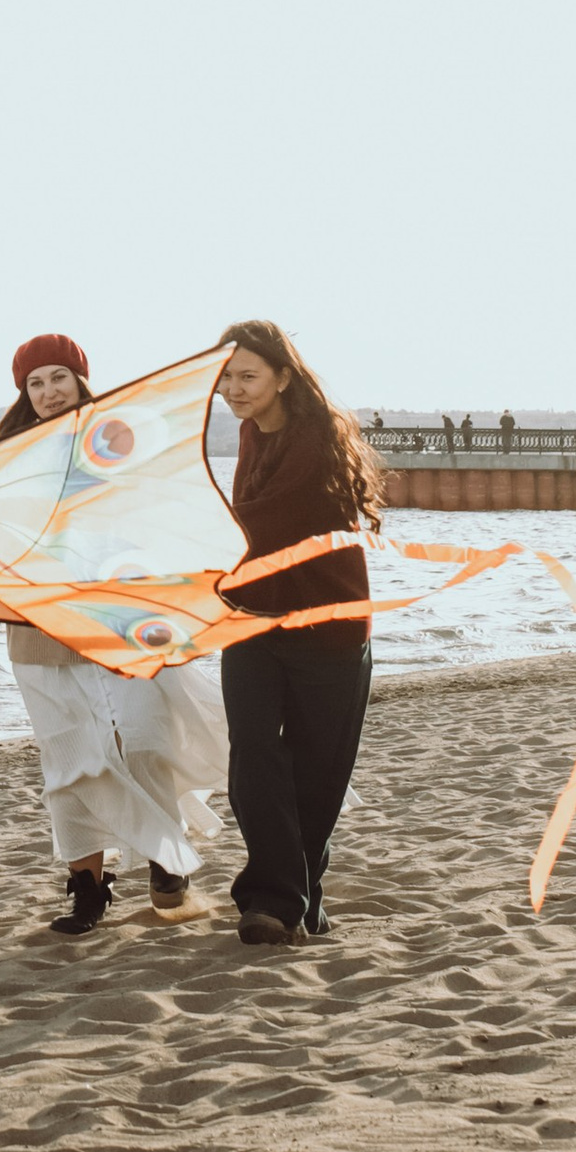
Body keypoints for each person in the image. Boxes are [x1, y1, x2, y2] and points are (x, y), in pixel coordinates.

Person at [0, 334, 224, 939]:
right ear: (24, 392)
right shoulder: (6, 463)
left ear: (80, 379)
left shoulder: (118, 448)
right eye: (35, 383)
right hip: (39, 639)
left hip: (119, 628)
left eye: (58, 378)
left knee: (147, 740)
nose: (48, 392)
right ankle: (88, 887)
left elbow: (164, 532)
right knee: (72, 765)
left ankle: (165, 857)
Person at [214, 321, 384, 950]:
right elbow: (249, 534)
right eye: (226, 377)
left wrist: (187, 543)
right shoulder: (249, 433)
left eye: (247, 376)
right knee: (253, 757)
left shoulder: (318, 437)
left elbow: (267, 522)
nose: (233, 388)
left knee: (318, 771)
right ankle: (274, 902)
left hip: (328, 624)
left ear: (283, 376)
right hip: (255, 621)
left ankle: (298, 896)